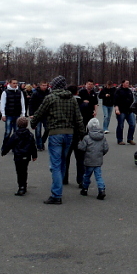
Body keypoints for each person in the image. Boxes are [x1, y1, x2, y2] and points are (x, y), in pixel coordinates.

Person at [30, 75, 85, 205]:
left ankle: (56, 194)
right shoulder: (72, 99)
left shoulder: (50, 98)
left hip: (55, 133)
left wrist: (33, 123)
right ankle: (58, 186)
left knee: (55, 164)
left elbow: (39, 112)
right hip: (69, 133)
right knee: (62, 162)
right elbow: (78, 118)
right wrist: (82, 134)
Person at [1, 116, 38, 196]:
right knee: (24, 170)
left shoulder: (15, 135)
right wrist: (34, 155)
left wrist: (4, 151)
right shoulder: (30, 135)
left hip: (18, 155)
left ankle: (21, 186)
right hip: (26, 155)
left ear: (17, 125)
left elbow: (9, 144)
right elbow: (33, 146)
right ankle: (24, 185)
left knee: (19, 171)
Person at [78, 117, 109, 200]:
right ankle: (101, 189)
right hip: (98, 160)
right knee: (98, 176)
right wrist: (101, 154)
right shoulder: (102, 138)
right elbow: (106, 148)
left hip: (89, 160)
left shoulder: (87, 138)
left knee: (87, 175)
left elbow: (82, 148)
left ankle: (85, 189)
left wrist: (79, 143)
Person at [28, 81, 50, 150]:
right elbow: (31, 104)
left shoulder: (49, 94)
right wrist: (31, 114)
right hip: (37, 114)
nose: (44, 87)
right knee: (38, 131)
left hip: (46, 115)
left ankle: (42, 141)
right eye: (43, 85)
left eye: (45, 85)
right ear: (40, 86)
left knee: (48, 129)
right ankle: (39, 145)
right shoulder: (35, 94)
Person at [114, 79, 137, 145]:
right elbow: (115, 101)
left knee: (132, 124)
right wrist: (117, 109)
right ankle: (120, 140)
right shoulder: (118, 91)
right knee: (120, 125)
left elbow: (132, 101)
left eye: (128, 83)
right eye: (126, 83)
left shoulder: (129, 91)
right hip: (121, 111)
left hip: (129, 111)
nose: (128, 84)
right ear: (123, 83)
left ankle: (130, 139)